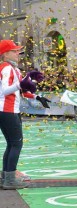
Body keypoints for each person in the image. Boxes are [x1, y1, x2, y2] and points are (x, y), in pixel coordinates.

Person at [0, 40, 50, 189]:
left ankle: (5, 177)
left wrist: (37, 97)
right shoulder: (7, 68)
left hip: (8, 110)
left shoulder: (13, 68)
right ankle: (9, 180)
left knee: (12, 144)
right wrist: (20, 84)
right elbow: (5, 90)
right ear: (6, 53)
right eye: (14, 51)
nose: (18, 53)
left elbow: (23, 90)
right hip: (7, 110)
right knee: (16, 144)